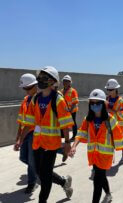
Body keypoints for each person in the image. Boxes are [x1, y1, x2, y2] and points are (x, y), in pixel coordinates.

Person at [15, 66, 74, 202]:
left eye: (44, 78)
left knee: (45, 177)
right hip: (37, 143)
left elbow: (65, 124)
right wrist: (20, 140)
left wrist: (67, 143)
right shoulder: (35, 99)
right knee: (39, 172)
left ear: (53, 81)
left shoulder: (58, 100)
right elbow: (29, 123)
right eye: (39, 77)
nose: (40, 80)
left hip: (51, 145)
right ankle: (64, 182)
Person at [70, 89, 123, 203]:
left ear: (103, 104)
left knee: (97, 181)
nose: (95, 105)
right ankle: (108, 194)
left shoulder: (110, 119)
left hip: (105, 155)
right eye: (92, 103)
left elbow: (118, 136)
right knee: (100, 176)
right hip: (94, 154)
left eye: (98, 103)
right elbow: (81, 132)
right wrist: (74, 146)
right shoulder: (88, 119)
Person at [14, 73, 38, 194]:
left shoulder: (38, 99)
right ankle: (36, 170)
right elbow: (21, 120)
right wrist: (18, 137)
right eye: (25, 88)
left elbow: (30, 124)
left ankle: (32, 183)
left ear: (35, 86)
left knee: (31, 161)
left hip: (34, 133)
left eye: (28, 88)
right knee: (24, 158)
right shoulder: (25, 100)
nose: (26, 91)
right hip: (25, 133)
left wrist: (20, 140)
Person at [105, 79, 123, 163]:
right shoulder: (107, 98)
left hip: (119, 124)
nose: (109, 91)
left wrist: (112, 111)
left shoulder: (120, 100)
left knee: (119, 140)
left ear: (115, 89)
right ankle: (108, 158)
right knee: (109, 140)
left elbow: (122, 114)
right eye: (108, 89)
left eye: (110, 90)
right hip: (109, 123)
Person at [60, 75, 79, 141]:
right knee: (64, 123)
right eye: (64, 81)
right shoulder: (61, 91)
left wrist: (70, 110)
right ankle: (62, 135)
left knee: (73, 123)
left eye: (67, 81)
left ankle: (74, 136)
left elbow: (75, 102)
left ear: (70, 82)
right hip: (65, 110)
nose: (65, 82)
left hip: (72, 110)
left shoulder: (73, 91)